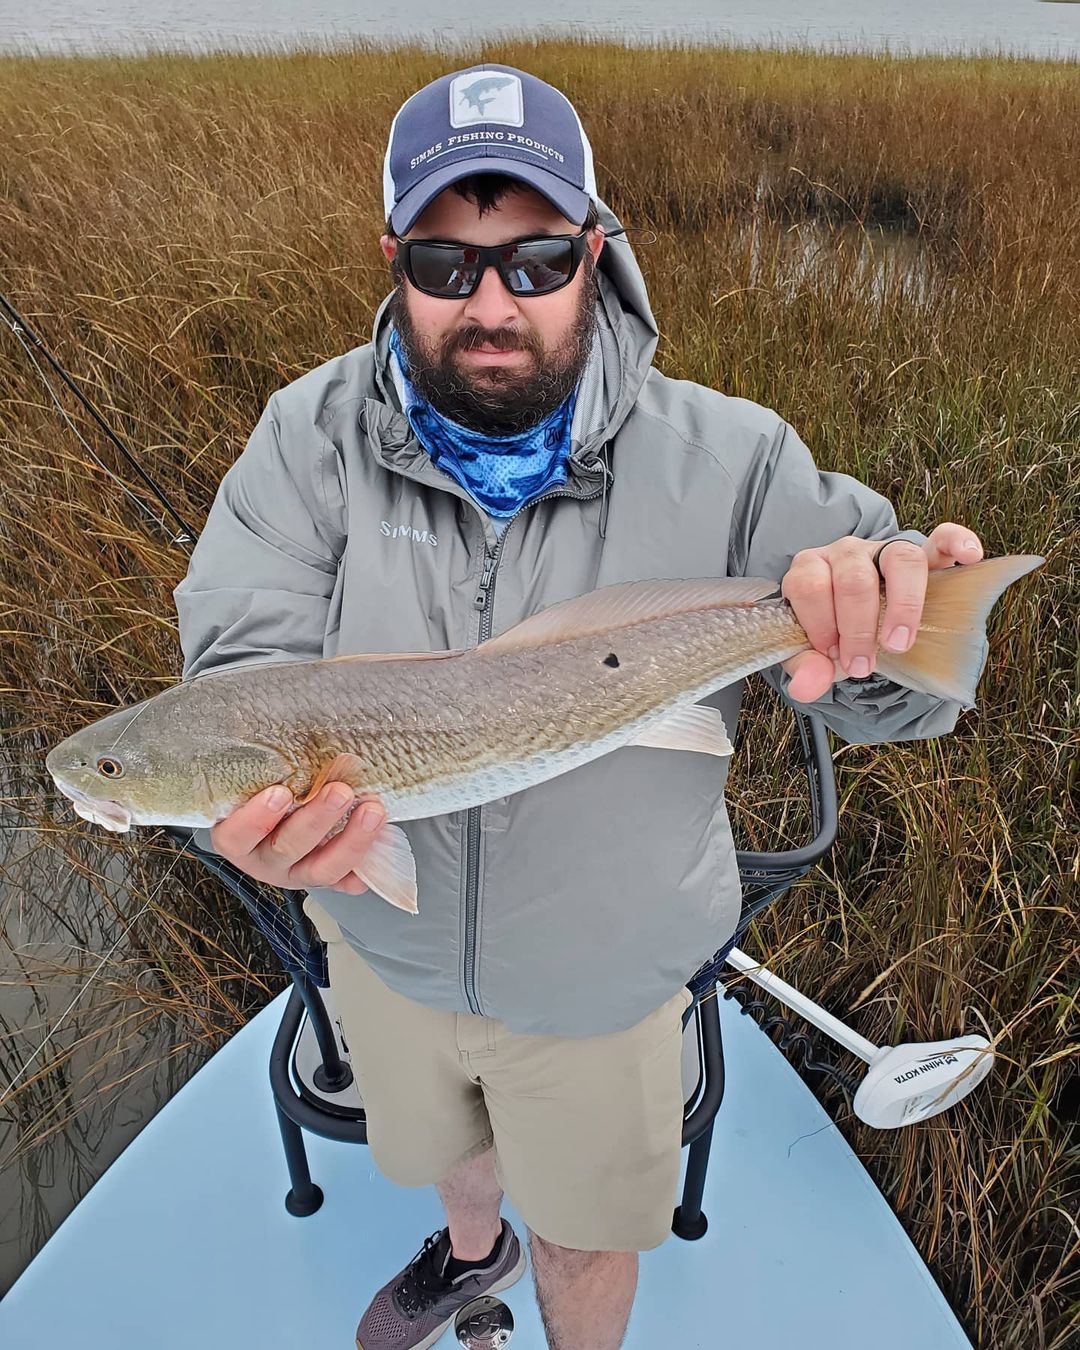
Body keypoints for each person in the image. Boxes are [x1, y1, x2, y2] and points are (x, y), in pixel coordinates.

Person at [173, 63, 986, 1350]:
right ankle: (469, 1253)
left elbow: (912, 704)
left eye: (538, 259)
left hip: (610, 976)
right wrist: (251, 795)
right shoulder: (306, 436)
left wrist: (891, 626)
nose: (491, 303)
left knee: (589, 1235)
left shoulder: (736, 457)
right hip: (388, 952)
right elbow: (238, 659)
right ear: (392, 260)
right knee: (448, 1150)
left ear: (596, 254)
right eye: (445, 265)